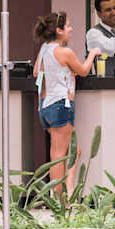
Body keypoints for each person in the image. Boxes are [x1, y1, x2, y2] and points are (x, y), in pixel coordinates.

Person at [33, 11, 100, 200]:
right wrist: (93, 54)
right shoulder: (65, 52)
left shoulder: (45, 49)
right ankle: (59, 200)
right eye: (68, 26)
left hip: (46, 106)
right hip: (60, 105)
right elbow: (84, 71)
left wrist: (60, 73)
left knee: (73, 151)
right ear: (59, 30)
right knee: (59, 155)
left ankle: (69, 191)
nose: (70, 29)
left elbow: (37, 72)